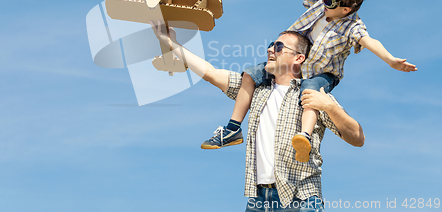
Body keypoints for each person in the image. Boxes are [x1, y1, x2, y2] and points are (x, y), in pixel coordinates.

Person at [202, 0, 417, 163]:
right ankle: (232, 128)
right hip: (297, 62)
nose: (324, 2)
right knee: (250, 74)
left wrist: (390, 60)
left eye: (329, 1)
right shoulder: (319, 3)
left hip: (323, 73)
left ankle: (304, 137)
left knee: (310, 91)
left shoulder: (352, 27)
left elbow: (369, 42)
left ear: (346, 10)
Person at [150, 21, 365, 211]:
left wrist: (330, 106)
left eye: (279, 47)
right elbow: (211, 73)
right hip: (258, 200)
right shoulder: (256, 90)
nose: (271, 49)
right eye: (271, 45)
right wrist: (170, 42)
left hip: (301, 198)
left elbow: (357, 138)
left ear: (298, 58)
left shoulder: (312, 93)